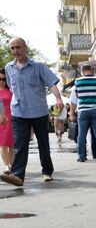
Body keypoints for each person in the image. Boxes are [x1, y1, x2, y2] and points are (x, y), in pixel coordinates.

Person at [1, 37, 64, 187]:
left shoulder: (39, 67)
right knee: (20, 144)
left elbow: (52, 84)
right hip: (18, 112)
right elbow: (11, 87)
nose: (16, 51)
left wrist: (58, 99)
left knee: (43, 143)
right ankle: (17, 175)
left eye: (18, 47)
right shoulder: (9, 68)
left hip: (38, 111)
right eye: (13, 48)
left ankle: (47, 171)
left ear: (25, 48)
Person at [69, 64, 96, 162]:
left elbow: (74, 100)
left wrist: (72, 113)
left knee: (81, 134)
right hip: (95, 110)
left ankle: (81, 156)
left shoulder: (77, 81)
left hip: (82, 111)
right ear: (91, 70)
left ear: (82, 71)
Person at [0, 68, 14, 174]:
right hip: (0, 119)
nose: (1, 81)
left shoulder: (10, 89)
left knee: (11, 144)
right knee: (2, 143)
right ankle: (6, 165)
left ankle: (11, 164)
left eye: (3, 79)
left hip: (12, 117)